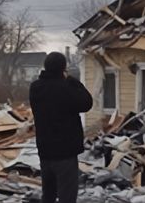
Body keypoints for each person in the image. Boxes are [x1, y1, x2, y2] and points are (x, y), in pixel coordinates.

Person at [29, 52, 93, 203]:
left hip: (45, 152)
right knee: (67, 196)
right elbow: (87, 102)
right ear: (63, 68)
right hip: (65, 153)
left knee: (48, 195)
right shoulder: (66, 88)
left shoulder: (35, 88)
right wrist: (71, 79)